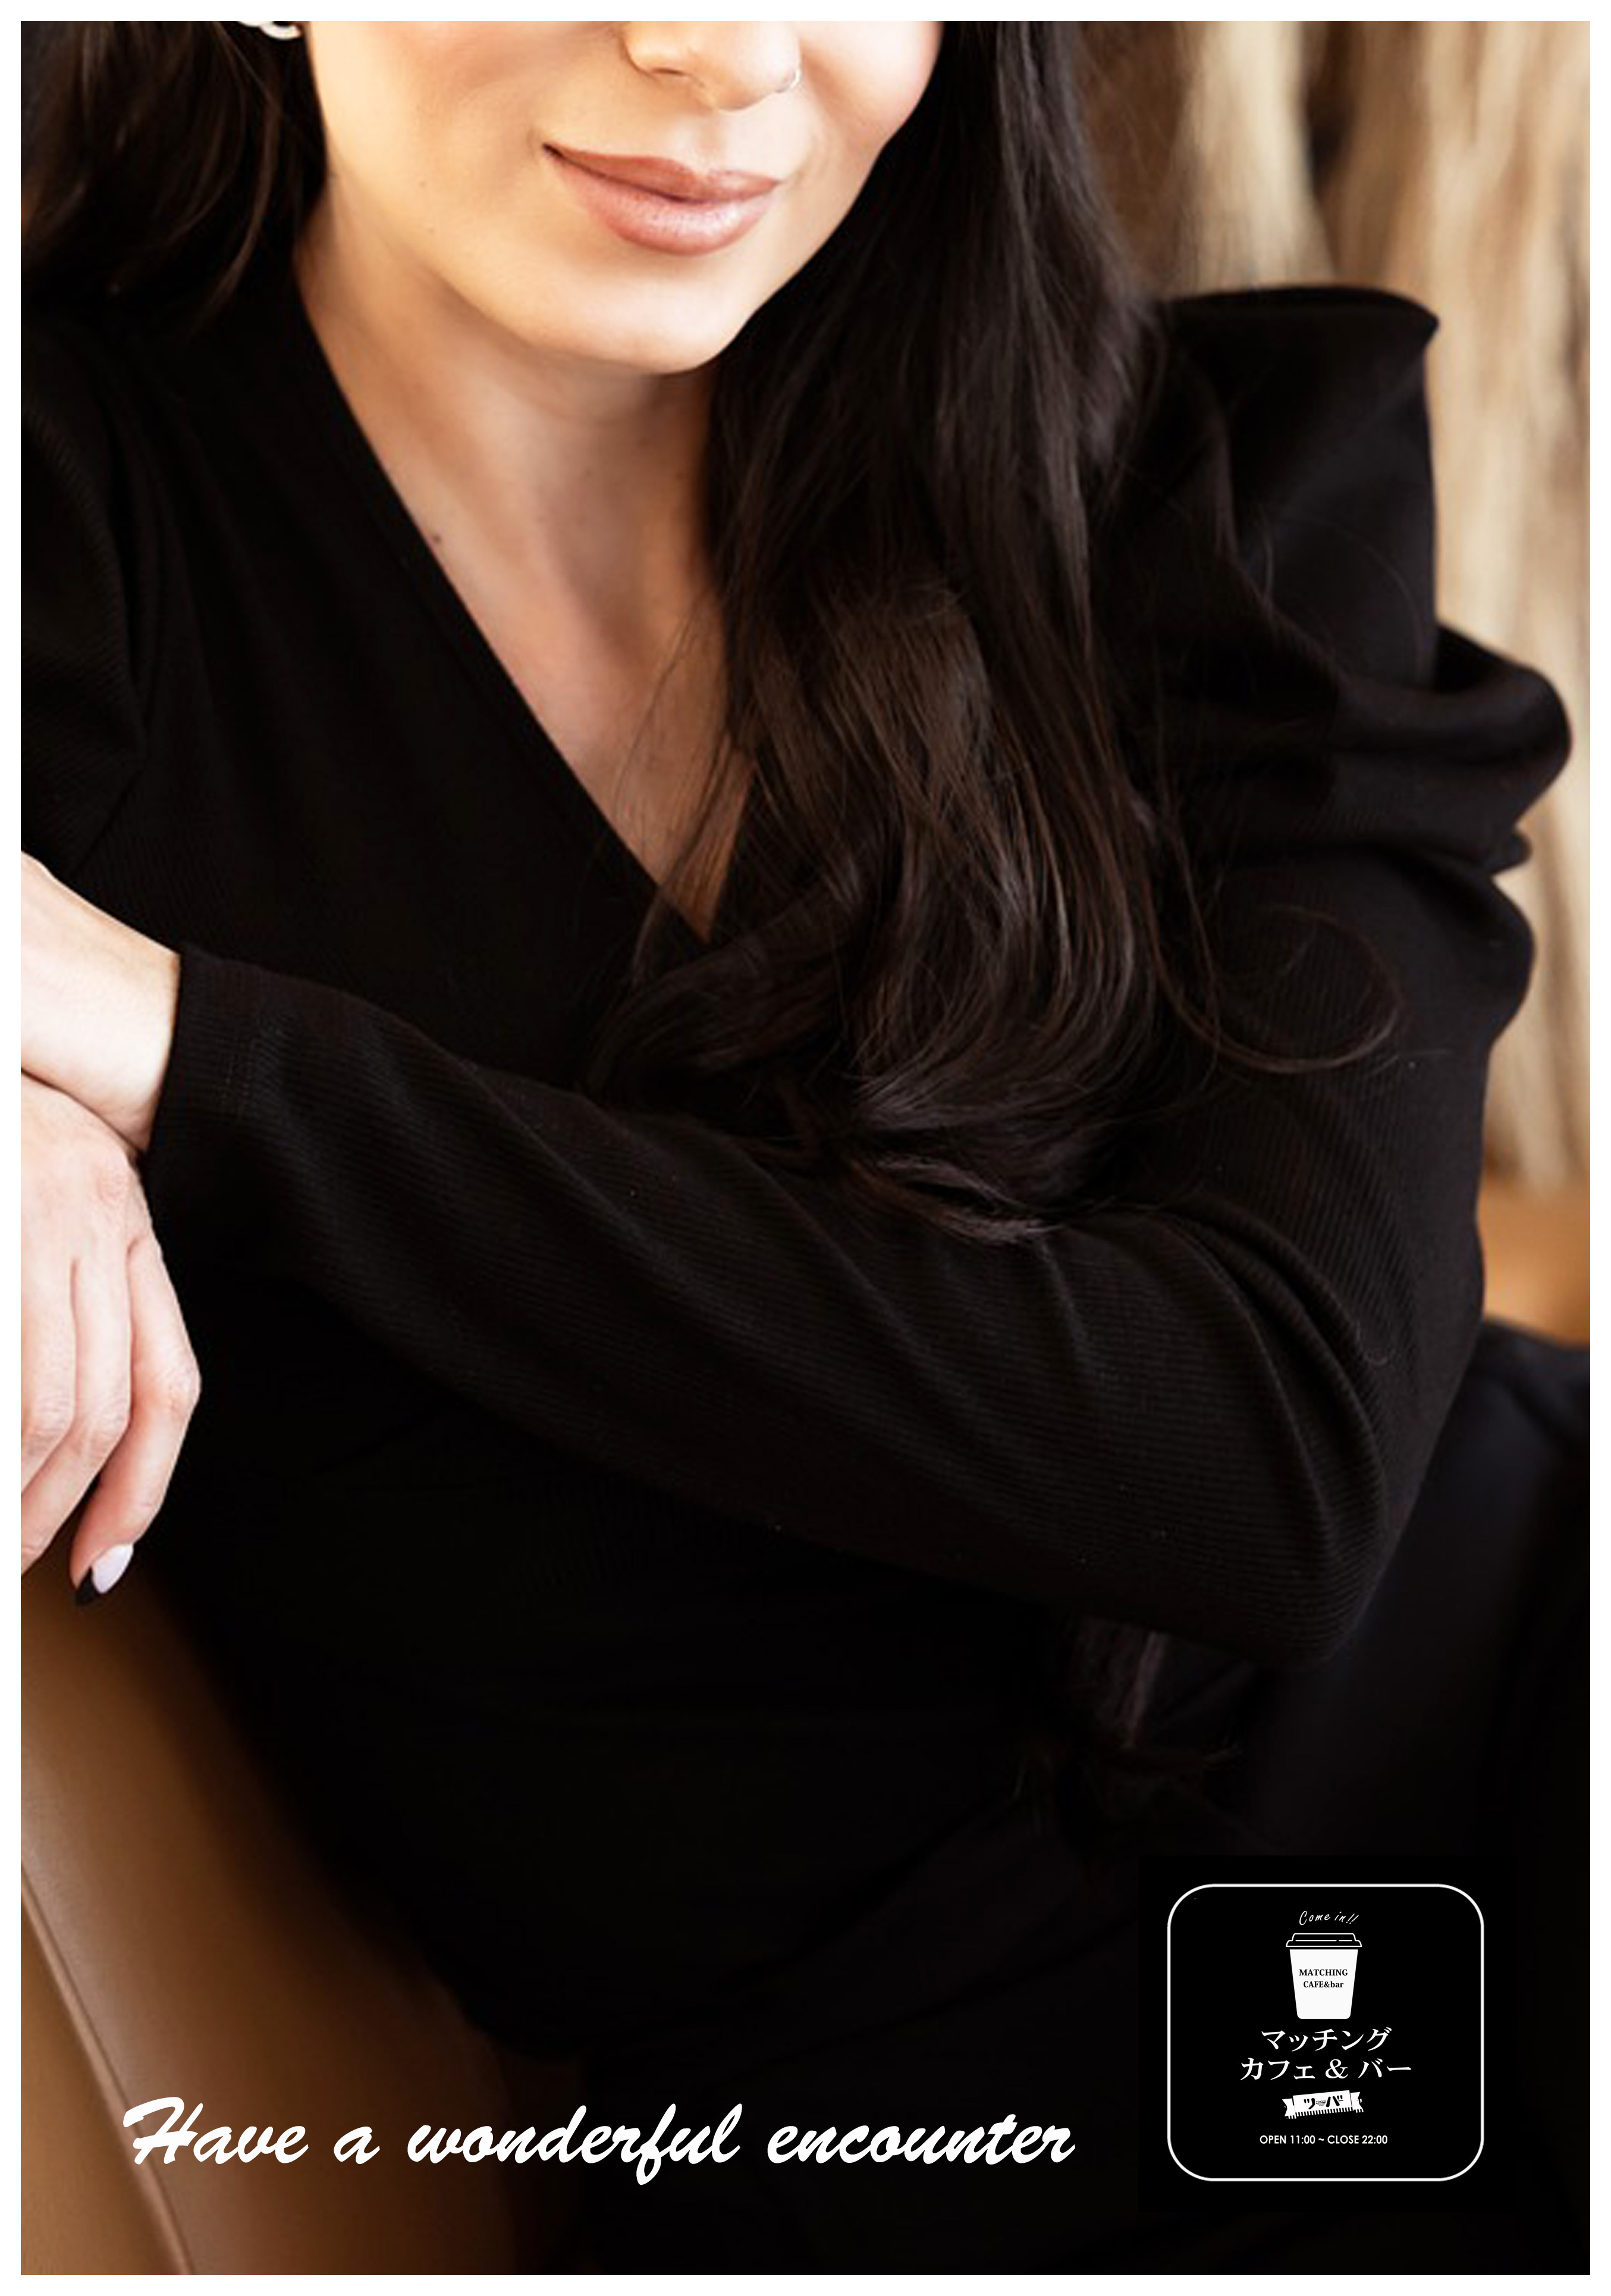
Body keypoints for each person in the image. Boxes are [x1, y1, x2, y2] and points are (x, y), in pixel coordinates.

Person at [20, 22, 1580, 2272]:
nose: (724, 50)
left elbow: (1271, 1459)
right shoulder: (62, 526)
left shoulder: (1192, 490)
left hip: (1520, 1759)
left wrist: (198, 1057)